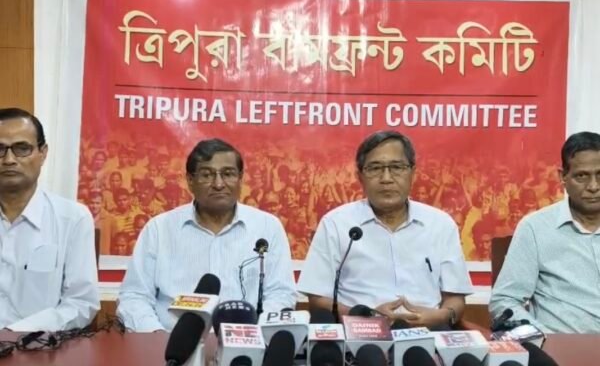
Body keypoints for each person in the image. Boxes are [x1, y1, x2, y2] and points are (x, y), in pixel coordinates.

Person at [298, 130, 473, 329]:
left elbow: (455, 299)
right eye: (375, 168)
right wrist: (367, 316)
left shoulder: (440, 224)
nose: (386, 178)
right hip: (360, 334)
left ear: (412, 173)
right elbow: (318, 299)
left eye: (397, 167)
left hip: (428, 333)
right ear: (359, 176)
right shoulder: (336, 224)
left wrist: (442, 316)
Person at [117, 138, 296, 332]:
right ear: (190, 181)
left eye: (228, 174)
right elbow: (134, 296)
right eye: (207, 175)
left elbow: (281, 294)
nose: (218, 184)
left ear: (240, 179)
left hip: (247, 343)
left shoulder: (267, 227)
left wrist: (252, 336)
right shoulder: (159, 229)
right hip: (169, 343)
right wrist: (156, 335)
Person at [490, 131, 600, 333]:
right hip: (561, 346)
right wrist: (542, 337)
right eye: (582, 176)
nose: (593, 186)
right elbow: (505, 301)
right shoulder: (535, 228)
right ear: (563, 177)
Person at [0, 108, 99, 331]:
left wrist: (16, 334)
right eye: (0, 149)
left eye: (22, 149)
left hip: (39, 345)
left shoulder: (72, 219)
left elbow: (81, 303)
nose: (9, 160)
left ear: (43, 153)